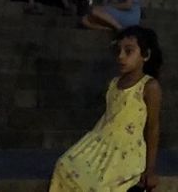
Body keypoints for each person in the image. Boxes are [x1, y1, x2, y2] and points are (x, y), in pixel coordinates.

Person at [50, 25, 162, 192]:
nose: (121, 57)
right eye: (119, 51)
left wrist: (150, 168)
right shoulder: (114, 83)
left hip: (125, 151)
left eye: (128, 51)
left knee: (98, 186)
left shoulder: (149, 86)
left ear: (145, 55)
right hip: (99, 142)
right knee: (63, 166)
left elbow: (153, 128)